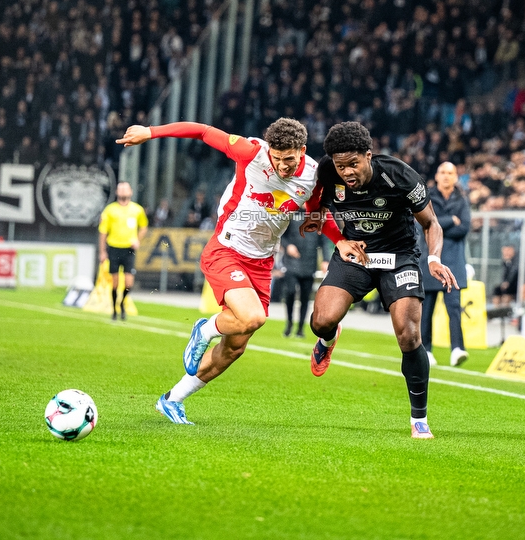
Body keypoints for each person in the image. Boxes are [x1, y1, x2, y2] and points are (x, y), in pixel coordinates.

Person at [116, 118, 354, 425]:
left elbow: (317, 214)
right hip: (226, 249)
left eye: (290, 160)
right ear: (270, 151)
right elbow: (202, 131)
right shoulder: (251, 151)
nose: (283, 167)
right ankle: (203, 330)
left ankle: (172, 399)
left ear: (302, 151)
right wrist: (150, 132)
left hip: (263, 263)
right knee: (254, 317)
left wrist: (341, 241)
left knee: (235, 348)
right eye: (278, 159)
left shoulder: (312, 175)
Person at [301, 122, 458, 440]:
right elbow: (314, 212)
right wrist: (339, 240)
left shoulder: (399, 175)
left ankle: (419, 418)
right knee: (321, 322)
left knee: (409, 335)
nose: (347, 172)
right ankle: (328, 340)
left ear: (368, 156)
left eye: (353, 164)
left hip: (399, 256)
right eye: (340, 165)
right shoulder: (327, 174)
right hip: (355, 254)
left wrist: (434, 258)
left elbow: (431, 223)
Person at [417, 161, 471, 367]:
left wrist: (438, 225)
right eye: (443, 172)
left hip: (454, 261)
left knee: (454, 308)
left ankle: (457, 349)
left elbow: (464, 228)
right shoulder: (426, 197)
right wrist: (451, 221)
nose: (447, 176)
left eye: (451, 172)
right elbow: (423, 223)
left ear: (456, 177)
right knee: (427, 309)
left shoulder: (462, 199)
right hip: (431, 259)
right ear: (437, 176)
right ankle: (426, 350)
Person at [97, 182, 149, 320]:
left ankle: (122, 303)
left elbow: (144, 227)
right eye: (120, 188)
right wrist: (102, 251)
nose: (123, 191)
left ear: (130, 191)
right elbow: (103, 232)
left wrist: (138, 239)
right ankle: (114, 309)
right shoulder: (110, 210)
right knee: (114, 282)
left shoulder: (137, 210)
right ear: (117, 192)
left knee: (128, 282)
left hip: (129, 249)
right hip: (114, 248)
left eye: (125, 188)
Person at [280, 225, 328, 338]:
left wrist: (326, 259)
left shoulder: (317, 218)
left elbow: (324, 241)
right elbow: (281, 235)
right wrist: (288, 246)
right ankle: (289, 323)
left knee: (305, 297)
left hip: (309, 263)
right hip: (292, 262)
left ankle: (301, 328)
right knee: (290, 291)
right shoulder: (292, 214)